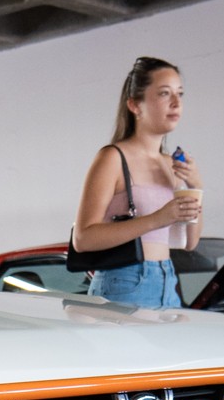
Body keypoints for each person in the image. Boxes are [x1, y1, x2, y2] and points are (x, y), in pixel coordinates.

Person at [72, 57, 205, 308]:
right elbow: (83, 238)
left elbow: (190, 242)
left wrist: (196, 186)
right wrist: (158, 218)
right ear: (135, 105)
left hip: (168, 279)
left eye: (180, 93)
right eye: (165, 93)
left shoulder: (171, 164)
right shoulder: (112, 158)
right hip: (125, 280)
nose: (176, 103)